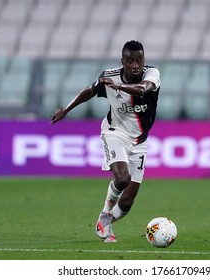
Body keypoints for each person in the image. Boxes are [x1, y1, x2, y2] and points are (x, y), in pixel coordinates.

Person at [51, 40, 161, 242]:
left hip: (139, 142)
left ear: (144, 60)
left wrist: (120, 87)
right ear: (123, 61)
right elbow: (89, 91)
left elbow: (144, 89)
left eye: (139, 60)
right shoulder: (109, 76)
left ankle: (106, 221)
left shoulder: (152, 74)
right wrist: (65, 110)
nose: (135, 65)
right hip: (114, 132)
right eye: (130, 61)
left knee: (127, 202)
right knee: (122, 179)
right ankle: (105, 212)